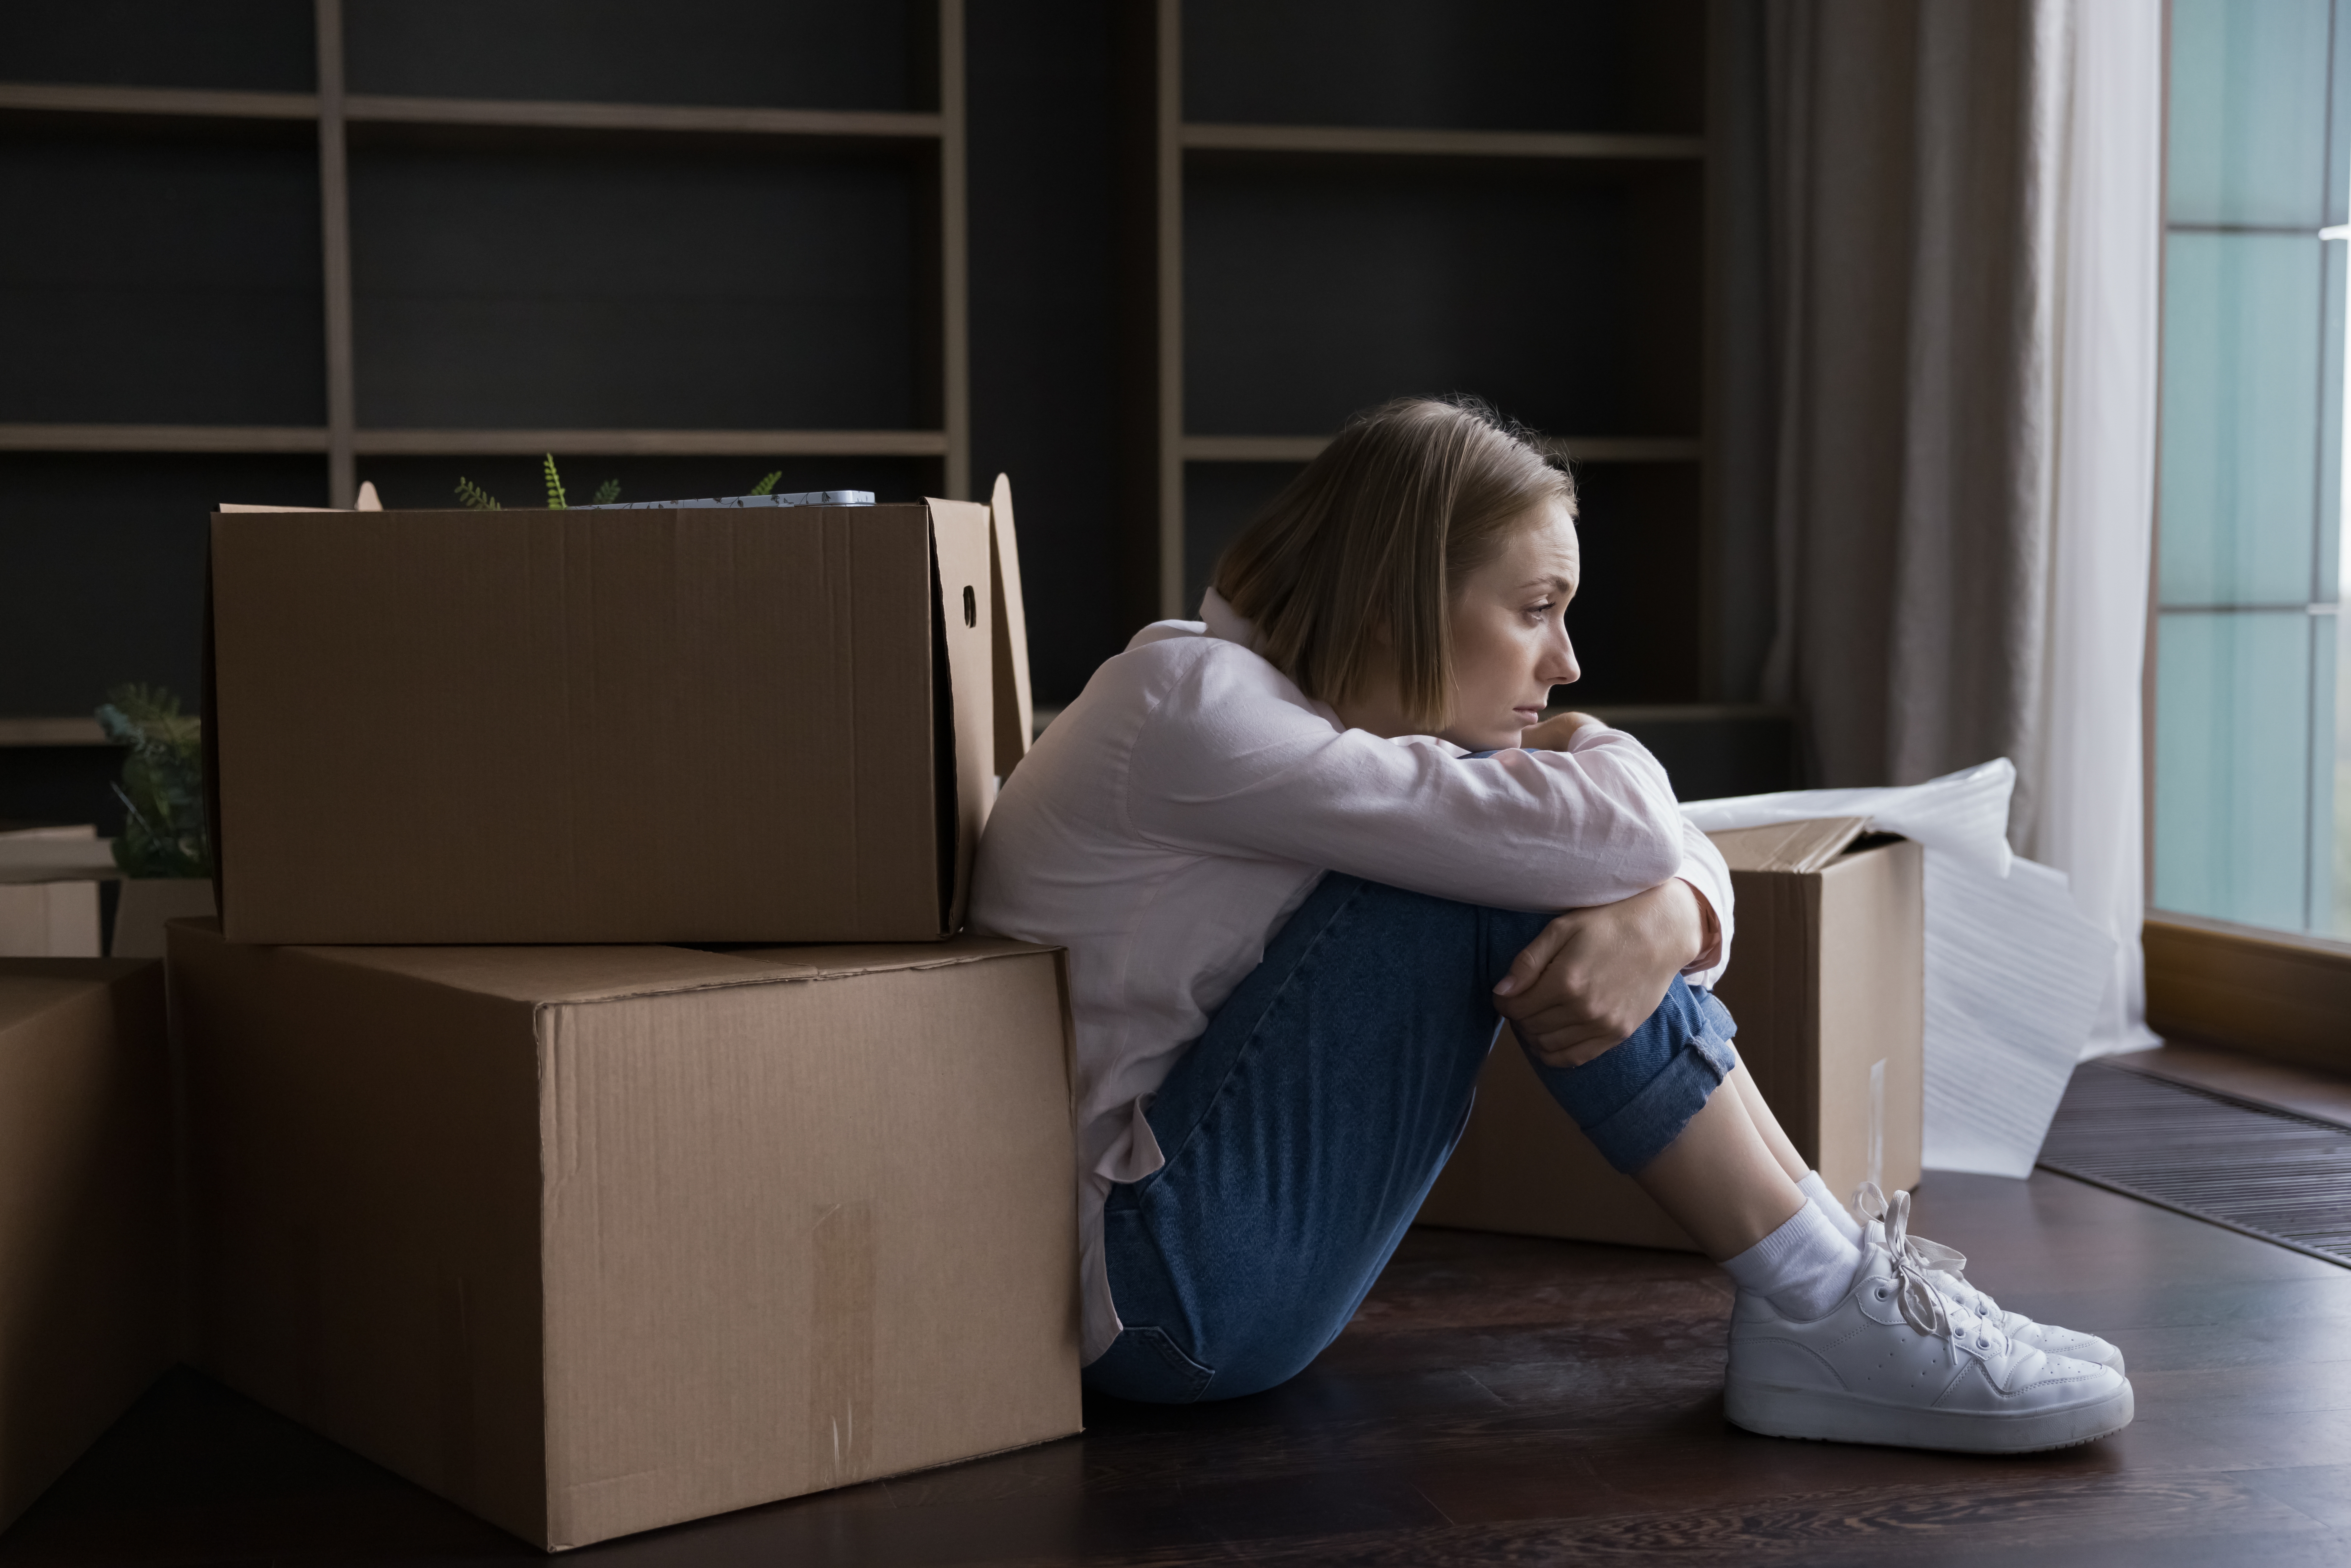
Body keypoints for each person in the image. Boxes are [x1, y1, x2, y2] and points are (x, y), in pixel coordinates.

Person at [969, 396, 2132, 1453]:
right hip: (1159, 1296)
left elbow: (1622, 847)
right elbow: (1608, 836)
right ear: (1394, 599)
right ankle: (1823, 1300)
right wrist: (1619, 813)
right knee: (1494, 864)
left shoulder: (1270, 720)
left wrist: (1672, 913)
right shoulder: (1198, 706)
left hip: (1187, 1281)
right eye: (1535, 611)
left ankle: (1836, 1282)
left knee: (1508, 848)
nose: (1567, 664)